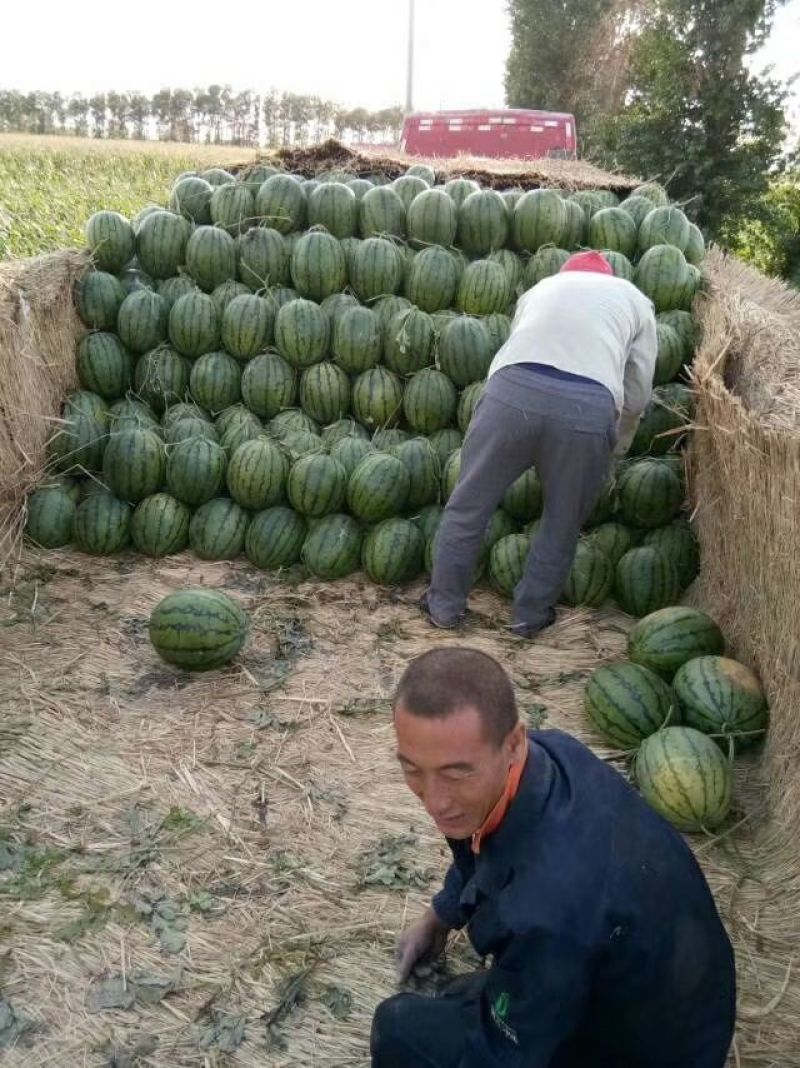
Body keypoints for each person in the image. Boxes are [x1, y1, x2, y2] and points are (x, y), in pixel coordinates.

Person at [371, 647, 736, 1068]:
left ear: (513, 743)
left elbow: (506, 1058)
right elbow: (481, 843)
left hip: (651, 1051)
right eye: (413, 769)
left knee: (397, 1027)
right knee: (464, 997)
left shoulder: (547, 910)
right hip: (671, 1002)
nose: (434, 801)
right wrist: (442, 914)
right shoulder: (549, 755)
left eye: (456, 773)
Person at [424, 250, 658, 636]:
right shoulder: (634, 299)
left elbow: (518, 344)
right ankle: (528, 618)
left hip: (511, 393)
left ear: (566, 273)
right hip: (586, 407)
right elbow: (638, 389)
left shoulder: (540, 288)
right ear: (609, 276)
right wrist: (619, 443)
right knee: (561, 522)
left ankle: (443, 608)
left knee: (467, 507)